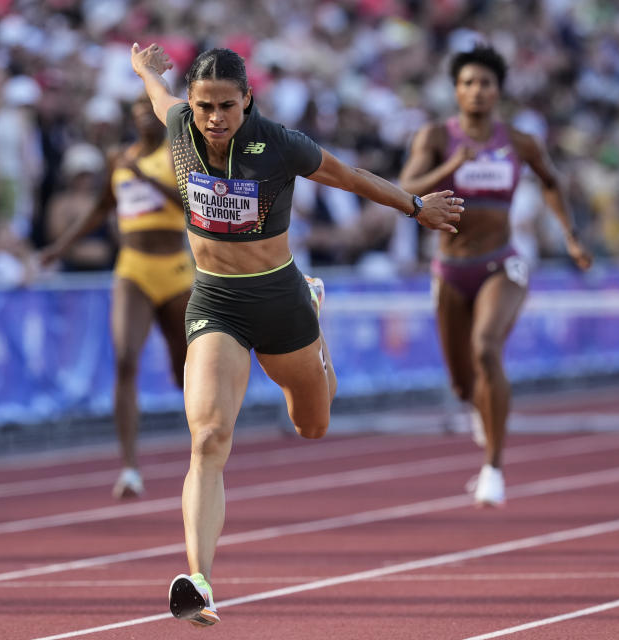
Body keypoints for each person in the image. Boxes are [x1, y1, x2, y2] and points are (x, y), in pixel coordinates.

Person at [130, 43, 462, 626]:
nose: (213, 119)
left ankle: (314, 308)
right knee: (208, 437)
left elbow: (350, 177)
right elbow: (160, 97)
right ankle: (200, 581)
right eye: (204, 106)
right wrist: (147, 73)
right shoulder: (180, 123)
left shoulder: (279, 143)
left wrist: (414, 207)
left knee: (312, 424)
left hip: (279, 297)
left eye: (226, 107)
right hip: (214, 300)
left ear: (247, 100)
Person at [399, 44, 592, 508]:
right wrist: (452, 167)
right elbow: (404, 188)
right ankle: (480, 410)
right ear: (456, 91)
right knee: (464, 385)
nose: (477, 91)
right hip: (449, 268)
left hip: (503, 262)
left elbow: (550, 180)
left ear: (498, 90)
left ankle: (494, 467)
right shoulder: (435, 137)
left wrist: (569, 235)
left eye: (485, 83)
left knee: (486, 347)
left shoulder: (520, 141)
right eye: (468, 83)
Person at [40, 95, 193, 498]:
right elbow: (99, 209)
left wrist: (144, 178)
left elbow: (193, 204)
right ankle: (129, 467)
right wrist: (61, 245)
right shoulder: (120, 161)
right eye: (138, 114)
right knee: (126, 359)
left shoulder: (179, 157)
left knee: (185, 368)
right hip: (133, 269)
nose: (144, 119)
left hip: (175, 269)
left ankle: (205, 445)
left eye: (150, 113)